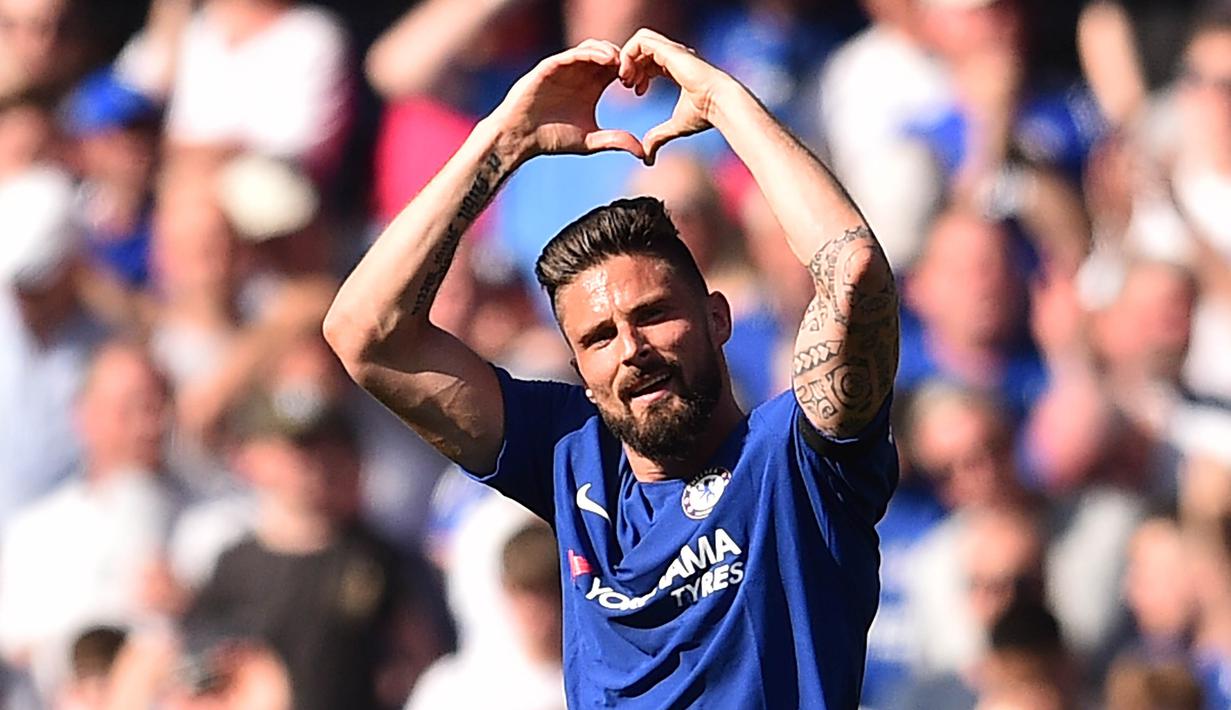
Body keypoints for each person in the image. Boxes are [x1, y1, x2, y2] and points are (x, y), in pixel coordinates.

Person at [325, 29, 900, 708]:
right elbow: (364, 333)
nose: (632, 349)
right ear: (578, 366)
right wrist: (503, 140)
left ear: (717, 318)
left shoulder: (797, 464)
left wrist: (722, 101)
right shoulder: (572, 454)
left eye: (654, 315)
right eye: (599, 336)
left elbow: (852, 271)